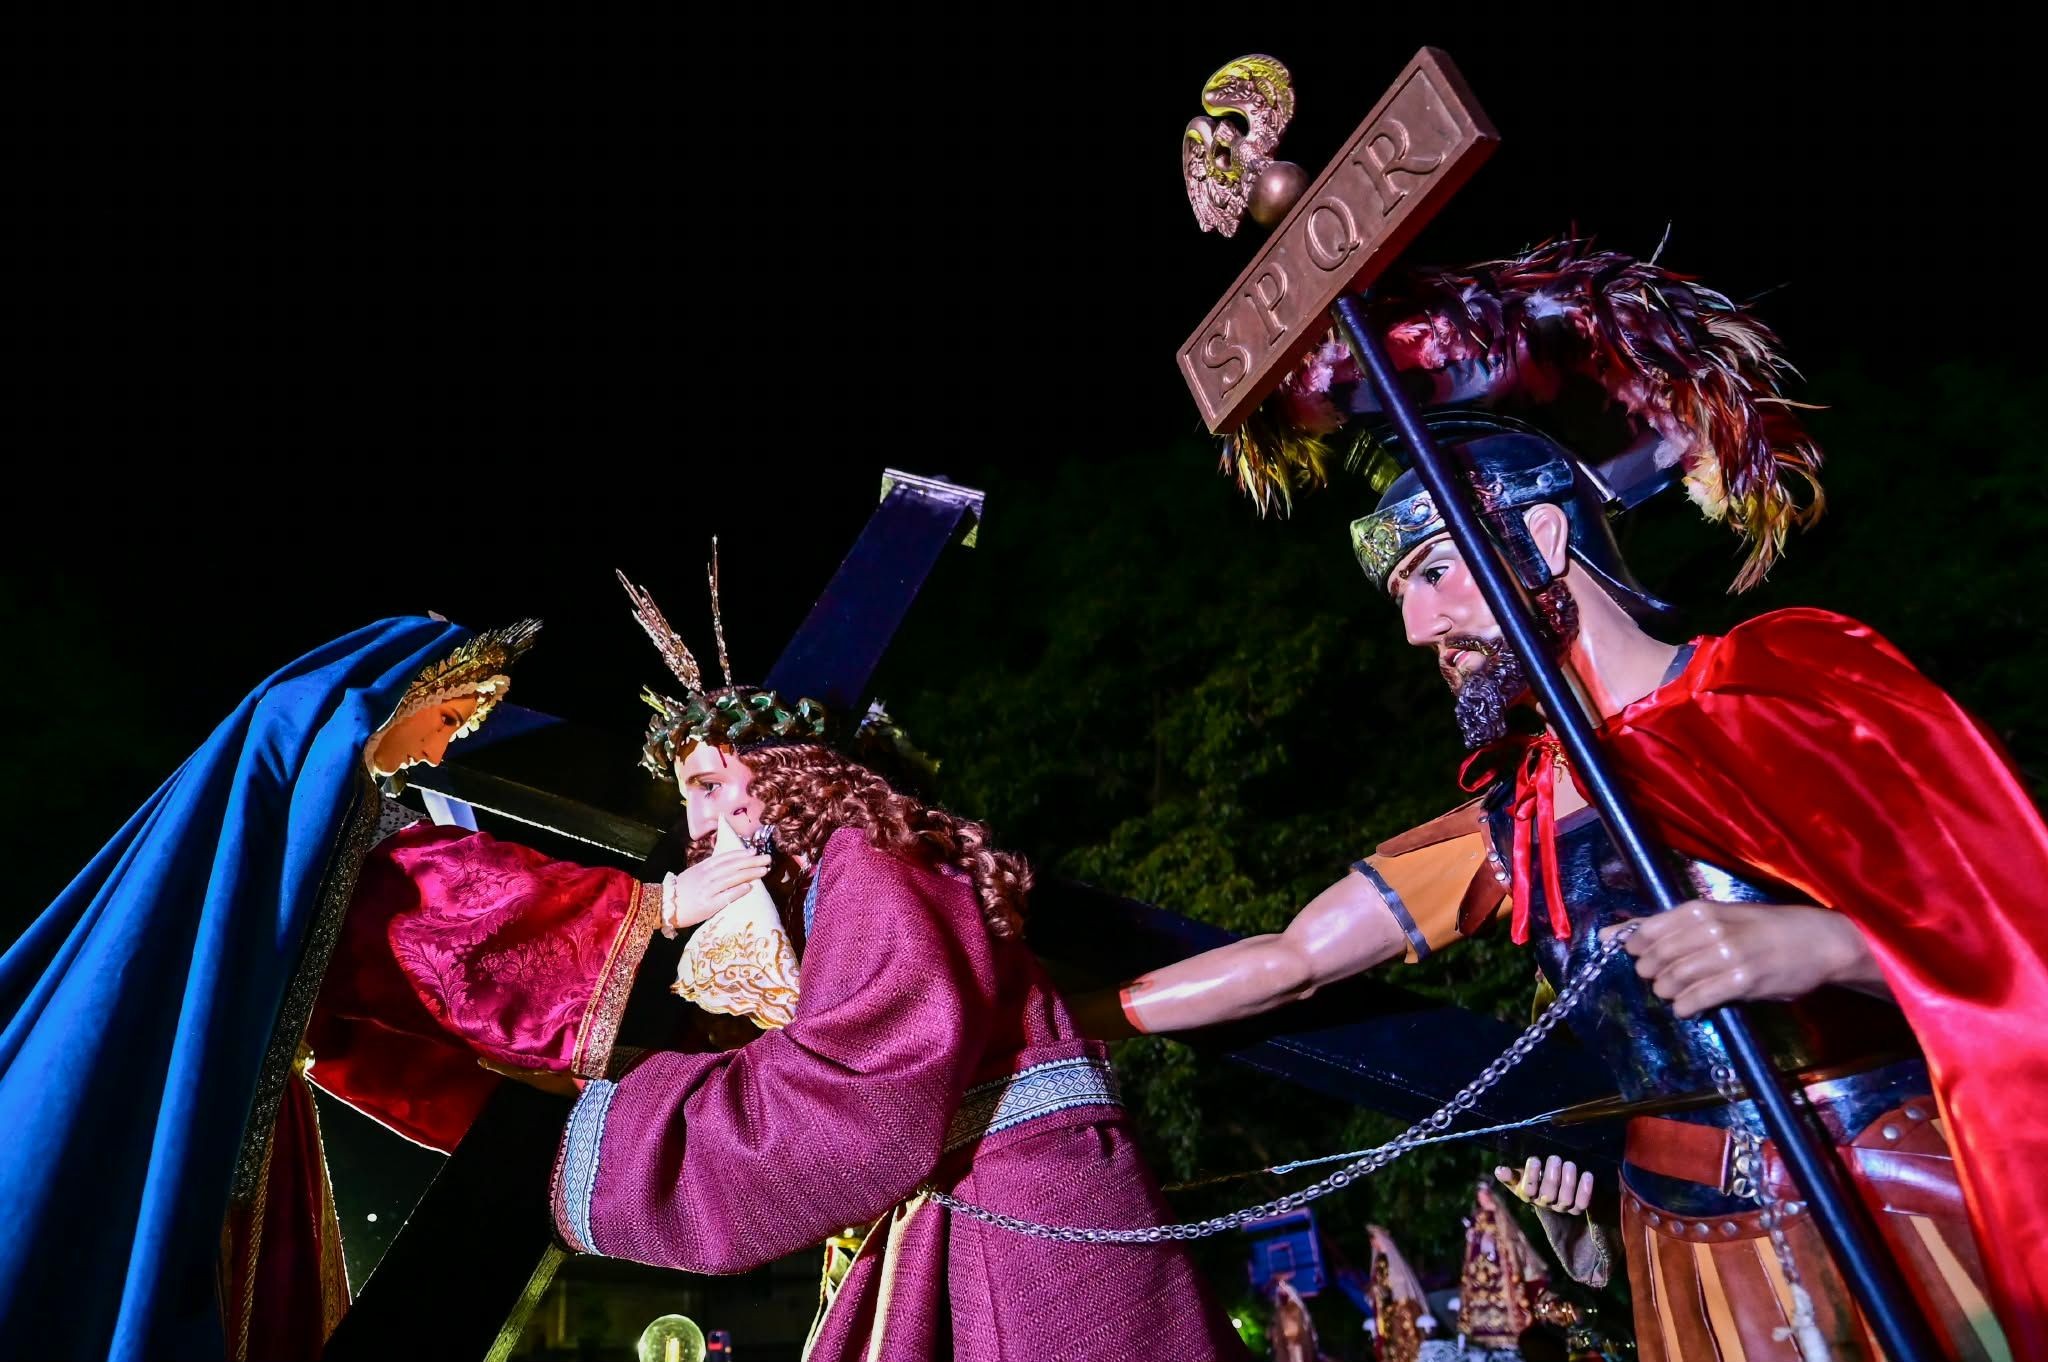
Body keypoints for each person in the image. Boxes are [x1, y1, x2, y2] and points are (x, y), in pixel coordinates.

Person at [1091, 241, 2043, 1359]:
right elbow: (1291, 959)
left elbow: (2014, 926)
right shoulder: (1524, 806)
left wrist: (1823, 944)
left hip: (1881, 1188)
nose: (1413, 627)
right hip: (1680, 1245)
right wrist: (1060, 1027)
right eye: (1400, 591)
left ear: (1537, 535)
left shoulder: (1782, 683)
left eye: (1434, 571)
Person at [346, 570, 1245, 1360]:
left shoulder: (872, 862)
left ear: (782, 771)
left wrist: (621, 1144)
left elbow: (867, 1075)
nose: (697, 825)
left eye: (706, 786)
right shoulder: (838, 884)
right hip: (975, 1191)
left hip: (1019, 1201)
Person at [0, 616, 538, 1361]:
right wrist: (660, 907)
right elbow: (450, 900)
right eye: (447, 719)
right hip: (217, 1096)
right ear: (403, 691)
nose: (440, 750)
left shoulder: (294, 783)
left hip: (254, 1103)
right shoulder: (307, 789)